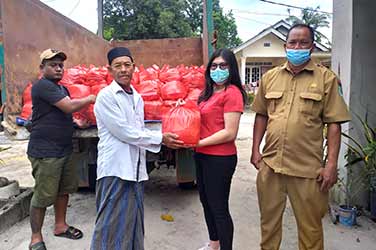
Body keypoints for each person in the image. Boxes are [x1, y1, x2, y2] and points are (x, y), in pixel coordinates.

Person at [250, 24, 351, 250]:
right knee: (268, 227)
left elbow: (334, 124)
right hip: (271, 166)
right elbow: (261, 115)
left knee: (311, 231)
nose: (297, 47)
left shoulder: (327, 79)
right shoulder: (270, 77)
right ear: (285, 46)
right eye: (292, 43)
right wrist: (255, 150)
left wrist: (331, 165)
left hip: (307, 171)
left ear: (312, 47)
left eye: (303, 43)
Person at [90, 47, 184, 250]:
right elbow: (124, 132)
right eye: (118, 66)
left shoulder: (137, 98)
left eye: (127, 65)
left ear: (134, 67)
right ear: (110, 70)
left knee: (132, 222)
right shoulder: (106, 96)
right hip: (115, 169)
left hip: (134, 170)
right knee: (110, 223)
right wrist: (161, 138)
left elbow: (137, 131)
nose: (123, 69)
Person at [28, 49, 96, 250]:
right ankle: (35, 237)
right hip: (45, 151)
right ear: (42, 68)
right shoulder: (42, 87)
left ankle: (60, 225)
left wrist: (76, 123)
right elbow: (67, 107)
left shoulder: (61, 89)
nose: (58, 69)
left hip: (64, 149)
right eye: (53, 65)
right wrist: (90, 99)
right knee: (42, 195)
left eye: (60, 65)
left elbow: (63, 113)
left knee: (64, 190)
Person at [195, 48, 247, 250]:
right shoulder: (207, 93)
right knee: (206, 202)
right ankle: (214, 244)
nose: (218, 70)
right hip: (202, 156)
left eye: (223, 66)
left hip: (220, 159)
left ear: (231, 68)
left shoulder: (232, 93)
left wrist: (199, 143)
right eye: (214, 66)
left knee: (219, 208)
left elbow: (229, 133)